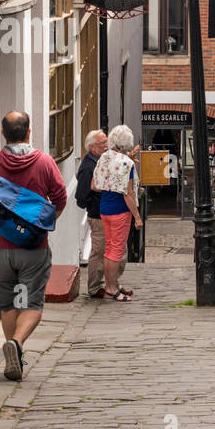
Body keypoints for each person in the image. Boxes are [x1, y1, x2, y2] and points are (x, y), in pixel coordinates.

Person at [0, 111, 68, 380]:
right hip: (33, 248)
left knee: (8, 302)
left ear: (3, 134)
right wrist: (42, 222)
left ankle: (13, 353)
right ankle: (17, 345)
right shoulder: (45, 163)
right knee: (31, 302)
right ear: (29, 132)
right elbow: (60, 197)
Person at [74, 130, 132, 299]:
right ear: (92, 147)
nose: (106, 145)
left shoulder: (102, 160)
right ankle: (95, 287)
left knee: (117, 252)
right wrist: (96, 206)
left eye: (107, 141)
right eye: (102, 143)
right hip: (99, 215)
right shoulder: (88, 166)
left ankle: (112, 284)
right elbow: (81, 196)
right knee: (100, 253)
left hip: (108, 213)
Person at [90, 125, 143, 302]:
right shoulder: (126, 163)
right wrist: (137, 216)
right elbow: (128, 194)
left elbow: (94, 185)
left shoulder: (105, 158)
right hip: (120, 211)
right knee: (116, 251)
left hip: (104, 209)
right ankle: (112, 288)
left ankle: (109, 287)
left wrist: (111, 185)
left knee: (109, 250)